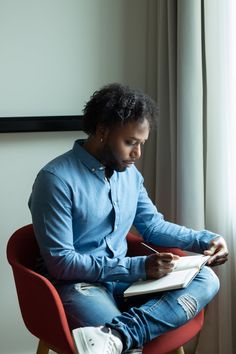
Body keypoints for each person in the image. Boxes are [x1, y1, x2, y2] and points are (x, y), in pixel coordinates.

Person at [29, 83, 228, 354]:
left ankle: (119, 334)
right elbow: (62, 263)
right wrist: (139, 267)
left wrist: (206, 239)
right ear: (102, 131)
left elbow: (152, 226)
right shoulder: (55, 180)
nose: (137, 154)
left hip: (126, 282)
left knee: (208, 279)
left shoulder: (129, 175)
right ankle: (123, 338)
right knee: (128, 349)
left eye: (141, 144)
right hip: (79, 285)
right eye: (130, 142)